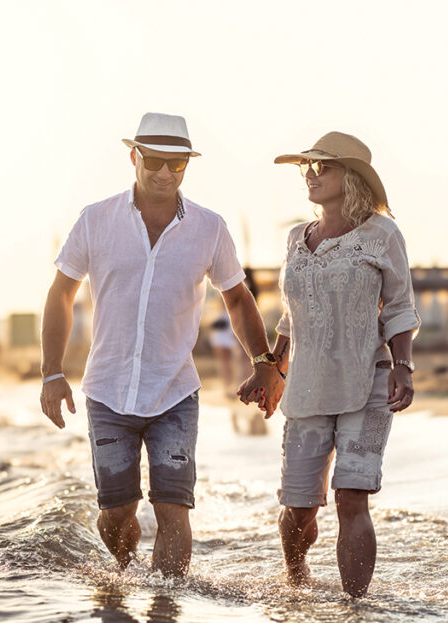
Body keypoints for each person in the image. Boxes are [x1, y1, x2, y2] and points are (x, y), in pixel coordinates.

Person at [40, 113, 284, 578]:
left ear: (186, 166)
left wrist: (264, 360)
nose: (163, 172)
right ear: (134, 157)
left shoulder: (209, 228)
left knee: (174, 508)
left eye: (176, 164)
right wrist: (52, 372)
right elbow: (61, 293)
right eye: (153, 160)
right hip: (108, 391)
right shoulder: (95, 220)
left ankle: (166, 609)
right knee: (116, 512)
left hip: (175, 392)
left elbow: (236, 296)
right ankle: (127, 572)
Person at [260, 131, 420, 597]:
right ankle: (296, 581)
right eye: (306, 166)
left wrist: (403, 367)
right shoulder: (296, 238)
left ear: (351, 177)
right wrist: (270, 368)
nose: (310, 174)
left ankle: (356, 610)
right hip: (306, 387)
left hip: (367, 384)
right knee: (298, 509)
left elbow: (399, 308)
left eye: (322, 166)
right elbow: (291, 316)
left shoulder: (382, 234)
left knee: (351, 498)